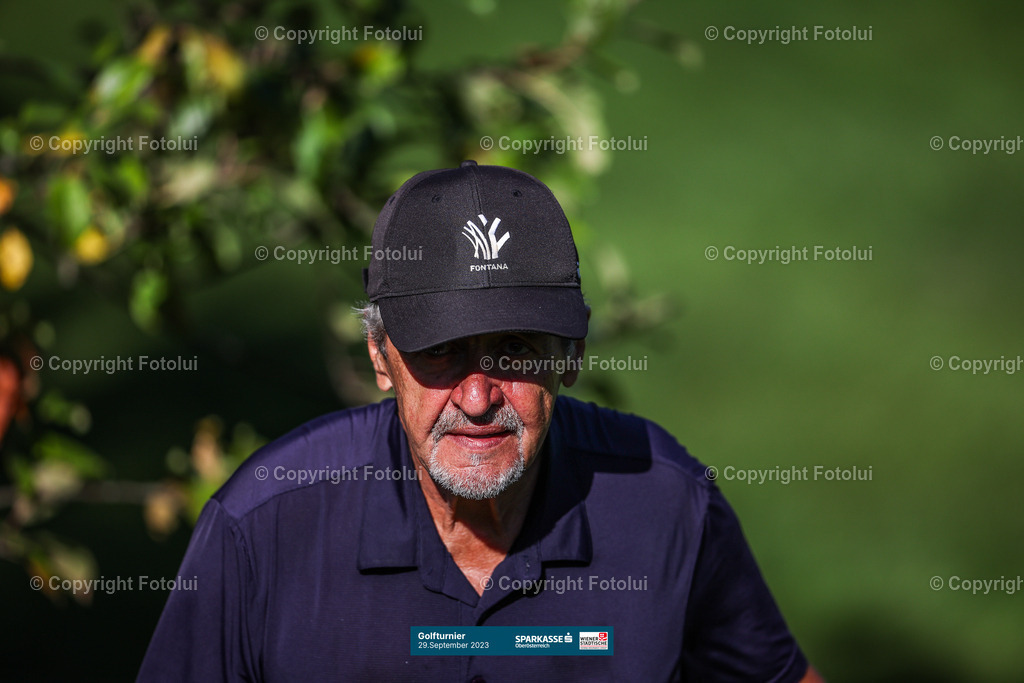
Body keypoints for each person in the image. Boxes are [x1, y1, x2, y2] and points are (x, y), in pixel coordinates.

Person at [138, 160, 824, 681]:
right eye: (439, 352)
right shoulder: (263, 528)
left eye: (515, 350)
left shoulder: (665, 500)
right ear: (380, 355)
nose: (476, 397)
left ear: (573, 355)